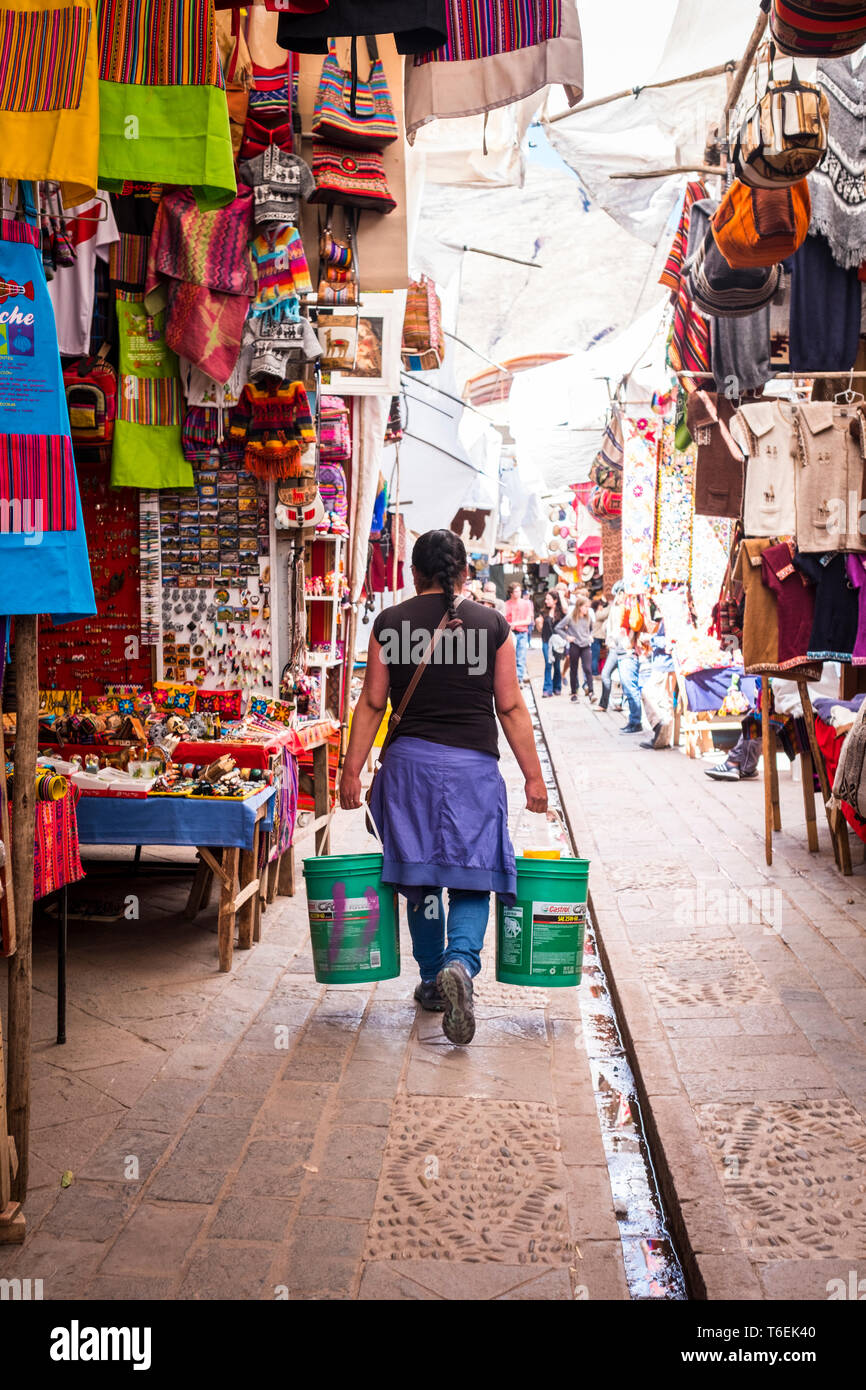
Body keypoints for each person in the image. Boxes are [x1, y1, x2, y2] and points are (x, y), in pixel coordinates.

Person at [340, 529, 548, 1046]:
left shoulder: (389, 623)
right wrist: (533, 776)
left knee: (421, 875)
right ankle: (460, 964)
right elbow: (510, 706)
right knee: (474, 875)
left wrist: (351, 770)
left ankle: (433, 978)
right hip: (472, 772)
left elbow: (371, 704)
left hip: (407, 770)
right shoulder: (493, 625)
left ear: (414, 574)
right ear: (464, 574)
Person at [555, 597, 595, 703]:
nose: (587, 609)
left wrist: (590, 636)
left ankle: (591, 692)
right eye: (585, 606)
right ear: (579, 606)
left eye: (588, 606)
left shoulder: (588, 617)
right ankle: (574, 693)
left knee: (587, 668)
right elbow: (558, 628)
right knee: (574, 669)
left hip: (586, 645)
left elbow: (591, 629)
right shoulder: (570, 617)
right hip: (575, 645)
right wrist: (567, 637)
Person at [599, 585, 629, 713]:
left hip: (625, 647)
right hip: (614, 647)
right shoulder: (614, 608)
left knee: (625, 678)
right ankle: (604, 703)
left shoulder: (628, 608)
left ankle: (623, 704)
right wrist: (609, 640)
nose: (619, 596)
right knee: (606, 674)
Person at [504, 582, 533, 683]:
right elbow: (503, 620)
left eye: (519, 591)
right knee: (510, 658)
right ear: (511, 593)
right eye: (516, 591)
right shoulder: (506, 604)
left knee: (521, 657)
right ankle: (511, 679)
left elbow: (529, 620)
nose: (519, 593)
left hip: (522, 633)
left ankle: (519, 680)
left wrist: (515, 623)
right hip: (510, 633)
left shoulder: (526, 604)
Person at [540, 590, 566, 698]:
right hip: (546, 641)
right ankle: (547, 690)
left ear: (555, 600)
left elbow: (566, 608)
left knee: (557, 665)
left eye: (548, 599)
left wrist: (561, 594)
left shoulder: (561, 612)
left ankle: (557, 687)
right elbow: (541, 626)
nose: (546, 601)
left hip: (558, 642)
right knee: (548, 664)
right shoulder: (543, 612)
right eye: (546, 599)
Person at [590, 594, 610, 675]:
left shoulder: (595, 613)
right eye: (601, 605)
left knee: (597, 656)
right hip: (596, 638)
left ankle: (596, 671)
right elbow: (605, 614)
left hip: (598, 637)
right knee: (595, 657)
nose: (602, 607)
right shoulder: (597, 614)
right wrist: (610, 605)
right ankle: (594, 673)